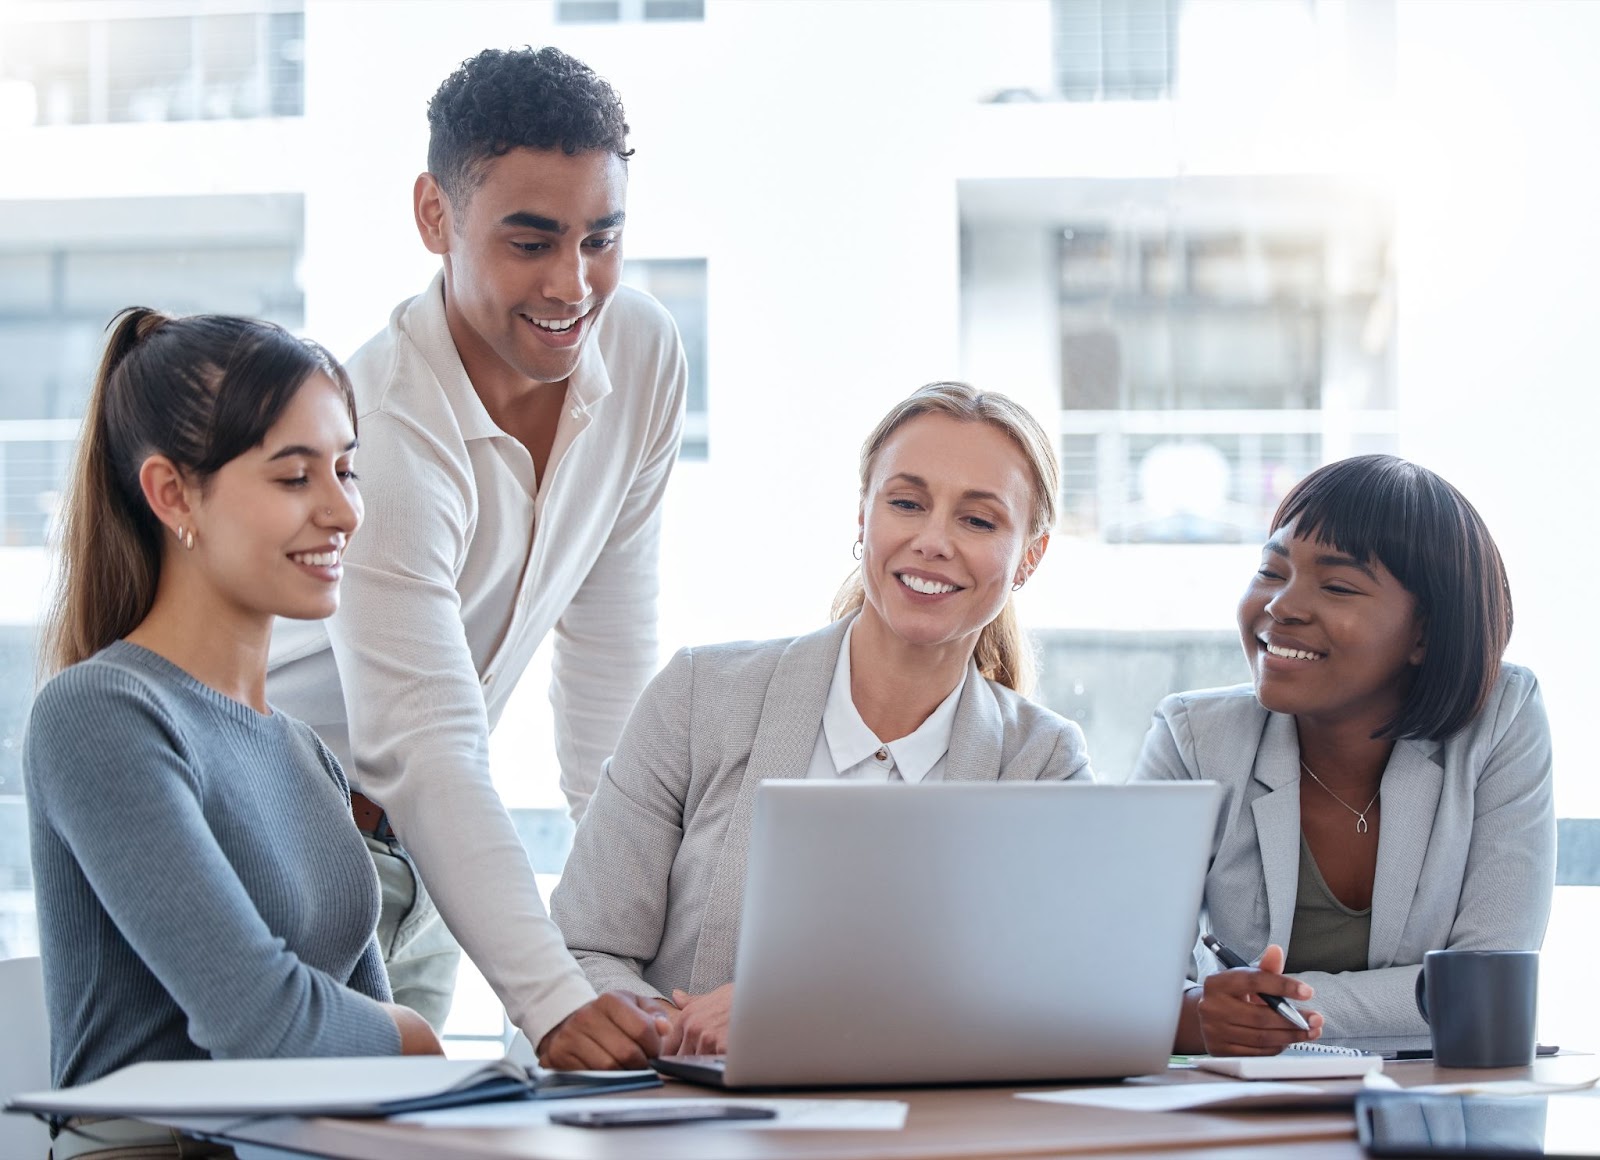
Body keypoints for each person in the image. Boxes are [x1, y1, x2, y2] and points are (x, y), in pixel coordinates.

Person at [267, 46, 684, 1066]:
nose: (571, 284)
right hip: (281, 852)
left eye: (601, 238)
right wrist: (551, 996)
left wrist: (624, 956)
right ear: (434, 217)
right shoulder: (383, 426)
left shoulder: (641, 353)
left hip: (431, 866)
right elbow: (428, 741)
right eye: (530, 242)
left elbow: (607, 688)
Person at [550, 382, 1094, 1054]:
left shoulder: (1044, 764)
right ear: (863, 518)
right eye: (906, 503)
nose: (932, 540)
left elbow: (1049, 996)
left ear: (1029, 560)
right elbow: (584, 946)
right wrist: (677, 1034)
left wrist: (796, 1020)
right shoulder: (700, 695)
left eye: (977, 521)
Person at [26, 309, 441, 1160]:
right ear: (173, 494)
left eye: (347, 471)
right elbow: (264, 1026)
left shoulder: (306, 753)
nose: (342, 511)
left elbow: (357, 1033)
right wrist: (417, 1043)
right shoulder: (102, 714)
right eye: (294, 479)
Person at [1133, 454, 1554, 1055]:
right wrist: (1189, 1014)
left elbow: (1488, 987)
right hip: (1237, 1114)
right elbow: (1125, 981)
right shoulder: (1193, 737)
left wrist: (1240, 1010)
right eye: (1272, 571)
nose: (1282, 606)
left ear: (1424, 634)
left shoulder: (1502, 718)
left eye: (1337, 586)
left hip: (1437, 1109)